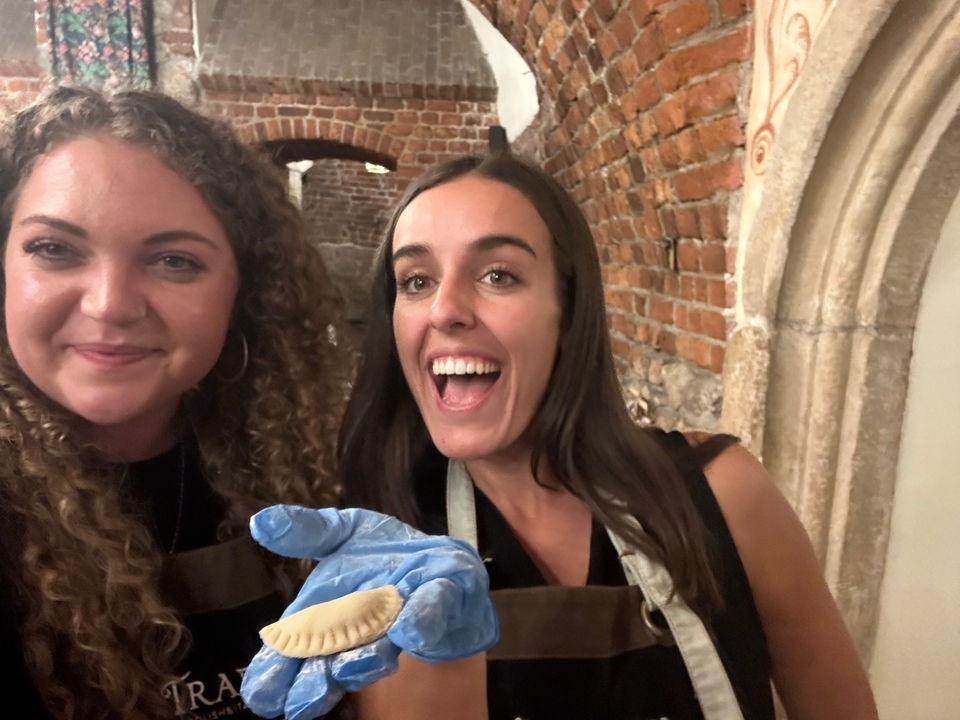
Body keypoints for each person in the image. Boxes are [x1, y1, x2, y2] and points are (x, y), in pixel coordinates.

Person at [0, 86, 495, 720]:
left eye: (174, 260)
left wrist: (437, 664)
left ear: (245, 294)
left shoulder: (308, 471)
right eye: (54, 249)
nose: (110, 303)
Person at [327, 152, 881, 720]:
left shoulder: (725, 494)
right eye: (417, 281)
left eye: (497, 275)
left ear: (568, 313)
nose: (444, 310)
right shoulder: (385, 553)